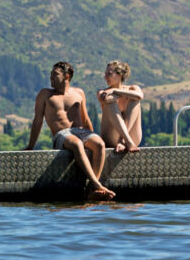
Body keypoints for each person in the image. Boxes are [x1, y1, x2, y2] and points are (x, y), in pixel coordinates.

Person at [26, 61, 115, 200]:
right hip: (62, 135)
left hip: (81, 132)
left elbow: (85, 120)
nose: (51, 77)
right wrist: (30, 146)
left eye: (55, 74)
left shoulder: (79, 93)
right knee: (76, 144)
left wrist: (91, 138)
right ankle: (96, 184)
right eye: (51, 74)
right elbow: (38, 121)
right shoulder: (45, 94)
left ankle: (93, 188)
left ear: (67, 76)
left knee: (99, 144)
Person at [97, 60, 143, 153]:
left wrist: (115, 90)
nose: (105, 77)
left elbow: (139, 96)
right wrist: (118, 92)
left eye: (109, 73)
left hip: (132, 137)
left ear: (120, 75)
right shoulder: (102, 92)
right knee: (110, 103)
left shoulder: (133, 88)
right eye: (105, 73)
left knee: (135, 101)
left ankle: (123, 140)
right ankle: (126, 140)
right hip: (111, 138)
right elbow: (106, 99)